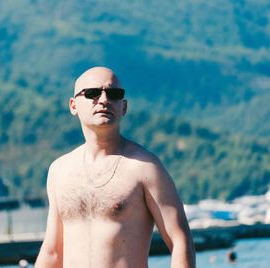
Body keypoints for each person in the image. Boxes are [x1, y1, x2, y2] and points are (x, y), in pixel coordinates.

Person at [35, 67, 195, 268]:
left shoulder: (145, 167)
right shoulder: (59, 170)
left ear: (124, 106)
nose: (104, 100)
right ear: (73, 105)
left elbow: (180, 242)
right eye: (92, 93)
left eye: (114, 94)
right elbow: (52, 253)